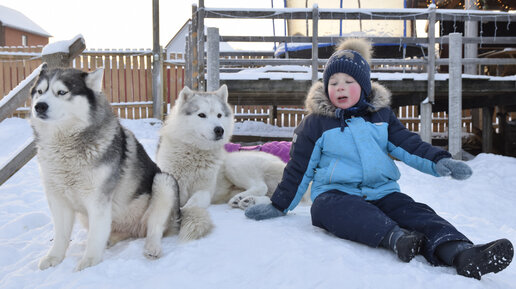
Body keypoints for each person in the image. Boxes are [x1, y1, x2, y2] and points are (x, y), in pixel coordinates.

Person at [245, 38, 513, 280]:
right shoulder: (315, 124)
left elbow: (409, 145)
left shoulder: (381, 117)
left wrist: (439, 161)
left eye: (349, 82)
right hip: (337, 194)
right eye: (334, 82)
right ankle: (395, 238)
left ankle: (461, 252)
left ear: (362, 86)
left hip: (383, 192)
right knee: (326, 210)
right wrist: (279, 205)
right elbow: (299, 169)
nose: (340, 88)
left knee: (418, 213)